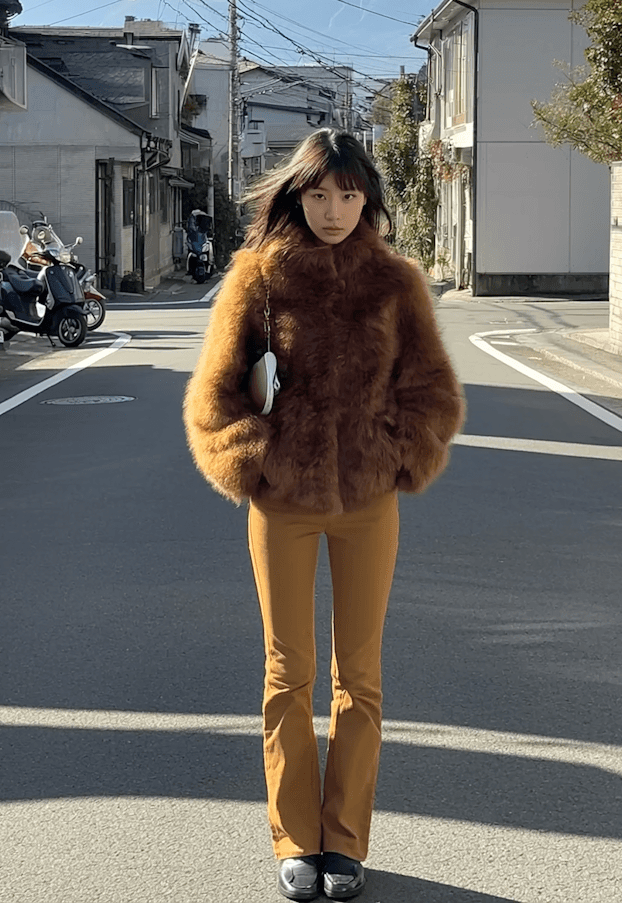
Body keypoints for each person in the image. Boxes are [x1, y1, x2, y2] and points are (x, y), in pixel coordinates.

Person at [183, 130, 465, 901]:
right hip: (282, 504)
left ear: (367, 198)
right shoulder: (258, 278)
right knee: (288, 673)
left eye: (347, 195)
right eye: (317, 194)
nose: (334, 210)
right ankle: (293, 839)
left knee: (359, 677)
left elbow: (430, 387)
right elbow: (216, 392)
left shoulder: (396, 282)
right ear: (294, 196)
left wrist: (402, 451)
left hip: (369, 503)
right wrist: (253, 460)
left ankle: (343, 843)